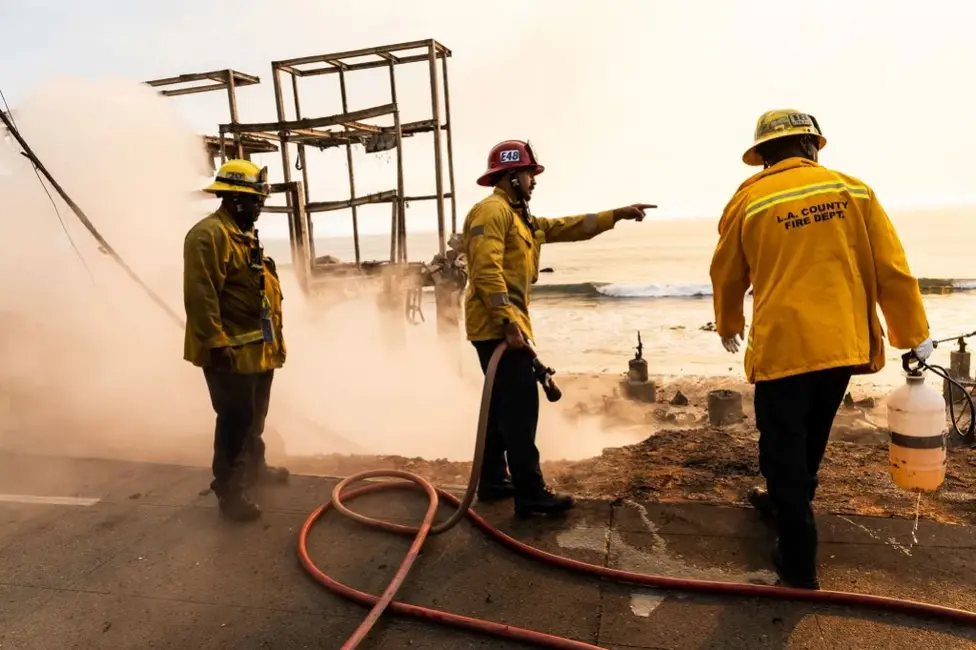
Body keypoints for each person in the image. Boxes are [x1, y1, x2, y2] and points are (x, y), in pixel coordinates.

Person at [709, 109, 933, 589]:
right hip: (842, 344)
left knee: (782, 445)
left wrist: (729, 322)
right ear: (813, 147)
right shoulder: (853, 190)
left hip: (784, 346)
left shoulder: (746, 202)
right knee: (812, 435)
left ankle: (797, 559)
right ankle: (783, 500)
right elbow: (892, 268)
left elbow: (726, 274)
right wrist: (913, 334)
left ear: (763, 158)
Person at [463, 139, 655, 517]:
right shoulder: (491, 211)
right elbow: (486, 271)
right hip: (495, 327)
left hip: (507, 325)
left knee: (502, 406)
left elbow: (571, 226)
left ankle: (491, 480)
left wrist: (617, 214)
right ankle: (530, 494)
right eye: (529, 174)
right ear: (511, 176)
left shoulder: (522, 219)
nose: (534, 181)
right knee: (520, 410)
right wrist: (508, 323)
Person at [183, 158, 290, 522]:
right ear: (235, 199)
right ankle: (229, 490)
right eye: (255, 200)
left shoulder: (242, 232)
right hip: (229, 351)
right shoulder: (207, 236)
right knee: (235, 419)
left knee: (255, 416)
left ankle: (256, 468)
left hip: (256, 348)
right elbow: (201, 295)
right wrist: (216, 343)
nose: (260, 207)